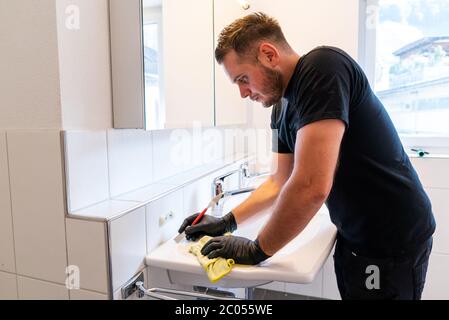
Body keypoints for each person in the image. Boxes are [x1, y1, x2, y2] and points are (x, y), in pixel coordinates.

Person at [178, 12, 435, 300]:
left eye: (243, 79)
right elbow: (280, 180)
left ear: (268, 54)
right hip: (353, 237)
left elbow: (311, 186)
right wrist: (227, 221)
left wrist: (258, 249)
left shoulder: (324, 68)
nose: (242, 93)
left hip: (392, 241)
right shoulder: (280, 108)